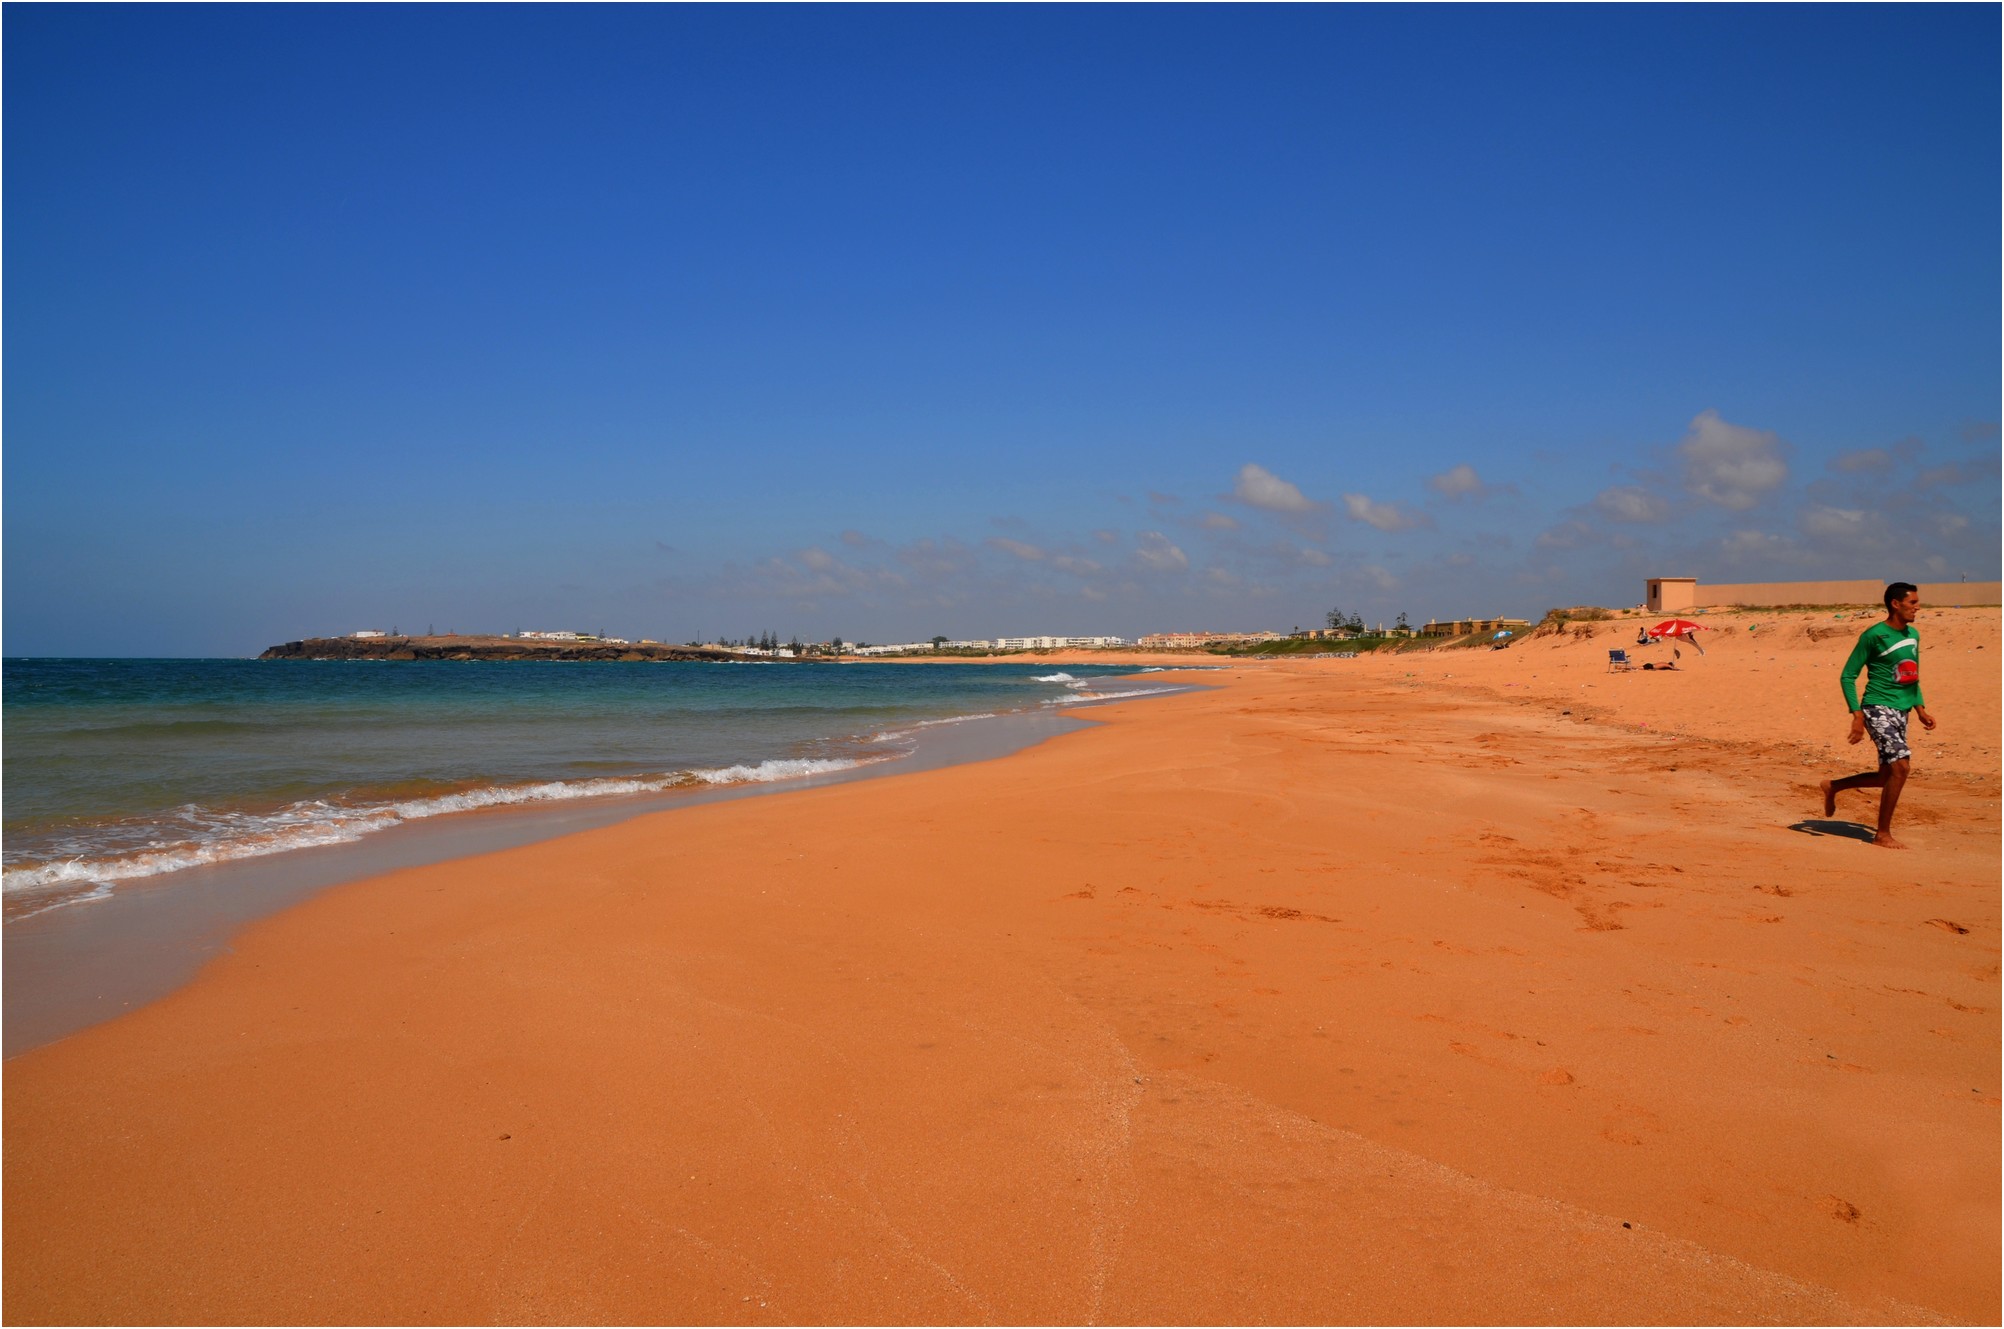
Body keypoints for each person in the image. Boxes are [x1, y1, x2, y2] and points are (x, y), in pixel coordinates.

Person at [1821, 582, 1935, 848]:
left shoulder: (1913, 635)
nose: (1918, 607)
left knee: (1887, 775)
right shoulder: (1874, 635)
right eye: (1913, 603)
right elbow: (1848, 676)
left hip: (1903, 709)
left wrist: (1920, 708)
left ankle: (1833, 786)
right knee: (1901, 766)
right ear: (1896, 604)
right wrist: (1857, 715)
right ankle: (1882, 834)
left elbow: (1912, 675)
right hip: (1877, 707)